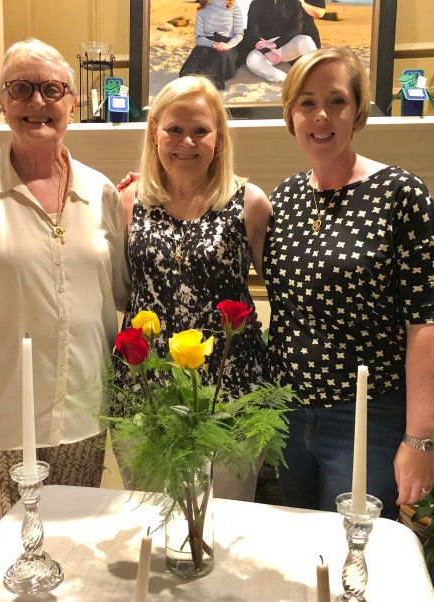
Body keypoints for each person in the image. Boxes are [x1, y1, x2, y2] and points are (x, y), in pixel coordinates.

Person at [0, 38, 129, 549]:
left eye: (52, 89)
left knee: (73, 560)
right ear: (3, 102)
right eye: (21, 89)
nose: (38, 102)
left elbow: (120, 295)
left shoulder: (100, 193)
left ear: (72, 102)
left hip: (82, 424)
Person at [262, 46, 434, 520]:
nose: (321, 115)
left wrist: (419, 439)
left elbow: (424, 325)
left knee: (358, 549)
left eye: (337, 101)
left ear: (358, 112)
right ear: (291, 115)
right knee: (300, 548)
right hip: (289, 414)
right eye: (307, 102)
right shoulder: (285, 197)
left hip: (366, 418)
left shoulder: (401, 194)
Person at [113, 75, 272, 500]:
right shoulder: (127, 202)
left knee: (227, 521)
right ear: (155, 133)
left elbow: (285, 292)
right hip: (144, 390)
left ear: (218, 138)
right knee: (150, 516)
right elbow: (118, 288)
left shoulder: (250, 203)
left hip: (231, 391)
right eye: (174, 129)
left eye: (200, 130)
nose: (187, 142)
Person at [238, 0, 317, 82]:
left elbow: (296, 29)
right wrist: (266, 51)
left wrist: (275, 44)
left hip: (287, 45)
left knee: (305, 40)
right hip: (265, 45)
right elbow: (252, 30)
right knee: (252, 61)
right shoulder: (256, 3)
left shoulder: (294, 2)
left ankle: (316, 73)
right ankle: (286, 79)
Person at [179, 0, 244, 91]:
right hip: (207, 43)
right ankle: (192, 81)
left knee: (220, 55)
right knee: (200, 52)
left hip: (227, 44)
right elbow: (198, 37)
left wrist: (228, 45)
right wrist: (213, 44)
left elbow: (239, 34)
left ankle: (208, 82)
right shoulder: (203, 8)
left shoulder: (234, 6)